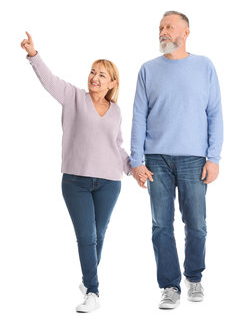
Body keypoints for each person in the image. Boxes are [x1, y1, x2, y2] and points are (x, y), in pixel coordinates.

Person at [21, 32, 141, 313]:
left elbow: (117, 147)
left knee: (98, 235)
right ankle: (93, 291)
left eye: (102, 75)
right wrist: (33, 55)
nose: (94, 78)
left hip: (109, 182)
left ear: (113, 83)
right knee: (86, 236)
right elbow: (49, 80)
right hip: (76, 181)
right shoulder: (73, 97)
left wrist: (134, 169)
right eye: (92, 72)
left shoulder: (116, 111)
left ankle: (88, 280)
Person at [130, 11, 223, 309]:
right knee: (161, 224)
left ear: (186, 32)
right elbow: (138, 118)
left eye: (170, 27)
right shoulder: (147, 70)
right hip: (155, 159)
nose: (163, 31)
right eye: (160, 27)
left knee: (196, 223)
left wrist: (214, 156)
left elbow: (214, 114)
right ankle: (169, 286)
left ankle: (193, 277)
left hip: (194, 159)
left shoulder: (204, 66)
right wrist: (136, 161)